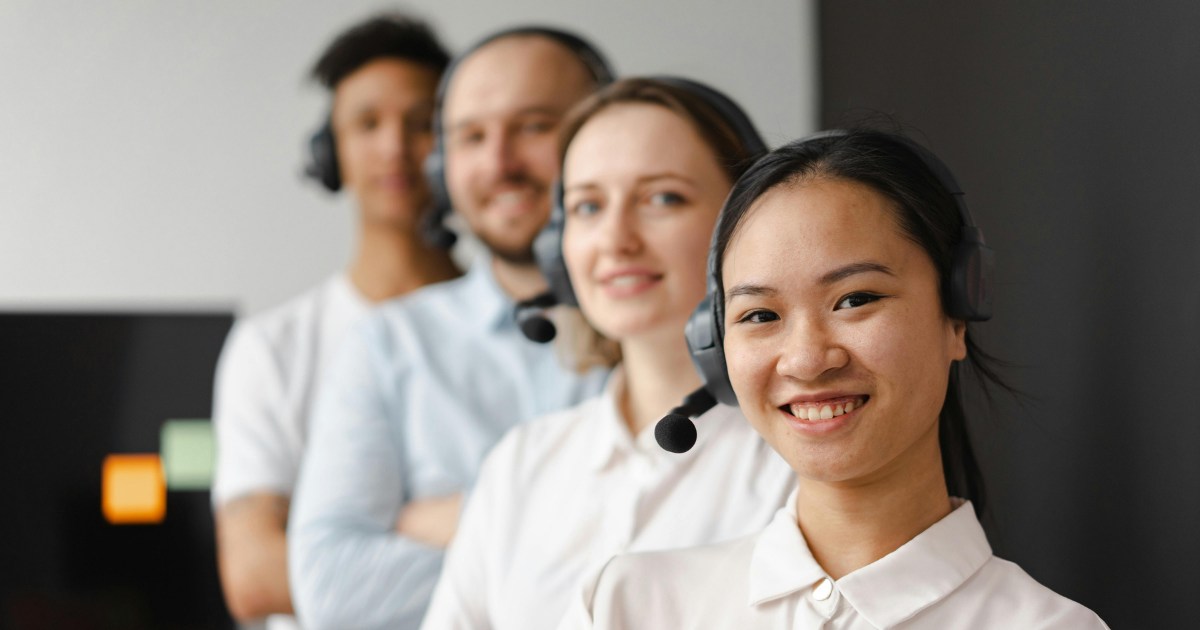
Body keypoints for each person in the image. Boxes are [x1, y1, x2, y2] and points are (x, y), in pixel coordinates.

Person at [563, 130, 1110, 629]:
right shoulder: (626, 605)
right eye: (760, 315)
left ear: (957, 314)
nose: (806, 360)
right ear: (714, 343)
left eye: (855, 299)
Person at [419, 77, 796, 630]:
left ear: (746, 224)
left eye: (663, 198)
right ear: (557, 247)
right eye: (588, 206)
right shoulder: (522, 465)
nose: (616, 239)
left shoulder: (801, 458)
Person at [287, 27, 614, 630]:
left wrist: (455, 520)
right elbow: (334, 590)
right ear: (442, 168)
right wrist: (585, 545)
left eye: (534, 126)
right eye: (471, 136)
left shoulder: (681, 333)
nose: (500, 163)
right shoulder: (387, 345)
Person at [210, 15, 457, 630]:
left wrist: (344, 552)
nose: (394, 147)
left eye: (421, 123)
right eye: (368, 123)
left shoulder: (528, 332)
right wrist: (451, 536)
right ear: (329, 153)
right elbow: (254, 575)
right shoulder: (272, 348)